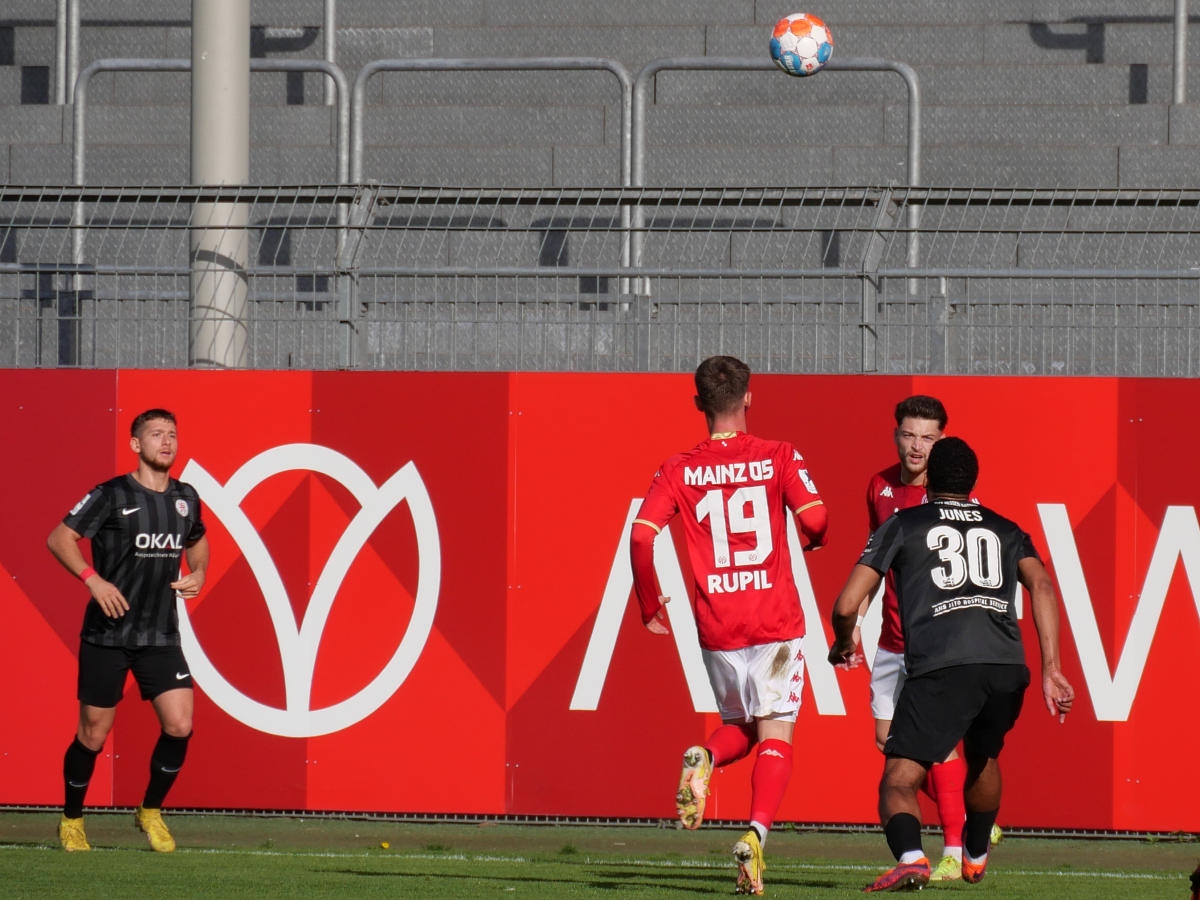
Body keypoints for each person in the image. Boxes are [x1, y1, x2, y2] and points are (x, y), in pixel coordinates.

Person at [829, 437, 1074, 891]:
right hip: (1005, 664)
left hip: (941, 665)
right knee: (983, 756)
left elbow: (846, 605)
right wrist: (1052, 668)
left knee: (899, 780)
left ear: (929, 480)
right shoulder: (1006, 528)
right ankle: (976, 854)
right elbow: (1041, 586)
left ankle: (912, 857)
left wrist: (843, 641)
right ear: (972, 481)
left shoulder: (905, 523)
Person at [629, 355, 828, 896]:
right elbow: (814, 517)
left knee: (740, 726)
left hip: (717, 623)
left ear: (698, 405)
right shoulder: (778, 455)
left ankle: (707, 756)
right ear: (749, 397)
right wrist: (812, 538)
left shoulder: (678, 468)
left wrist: (650, 603)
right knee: (776, 732)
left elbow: (643, 536)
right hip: (775, 619)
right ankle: (756, 835)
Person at [47, 408, 208, 853]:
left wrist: (199, 572)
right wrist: (92, 580)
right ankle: (72, 819)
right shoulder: (111, 494)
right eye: (156, 434)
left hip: (160, 636)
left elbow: (198, 540)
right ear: (136, 444)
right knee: (93, 735)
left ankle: (150, 811)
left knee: (180, 724)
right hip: (108, 634)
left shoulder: (186, 496)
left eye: (172, 434)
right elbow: (59, 538)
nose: (167, 441)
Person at [857, 394, 993, 882]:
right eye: (909, 434)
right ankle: (970, 813)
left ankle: (955, 845)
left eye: (928, 437)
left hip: (937, 648)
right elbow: (874, 565)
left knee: (942, 747)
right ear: (896, 435)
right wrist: (857, 621)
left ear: (942, 442)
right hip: (894, 641)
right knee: (889, 742)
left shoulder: (954, 500)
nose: (916, 447)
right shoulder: (878, 486)